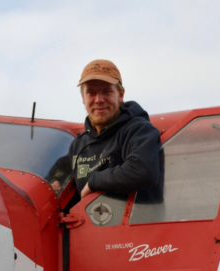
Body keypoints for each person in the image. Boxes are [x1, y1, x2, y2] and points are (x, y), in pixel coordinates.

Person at [69, 59, 164, 200]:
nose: (99, 99)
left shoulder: (139, 130)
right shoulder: (77, 145)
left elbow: (143, 171)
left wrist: (93, 183)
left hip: (138, 221)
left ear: (120, 95)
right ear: (83, 98)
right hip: (90, 222)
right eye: (91, 92)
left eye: (106, 91)